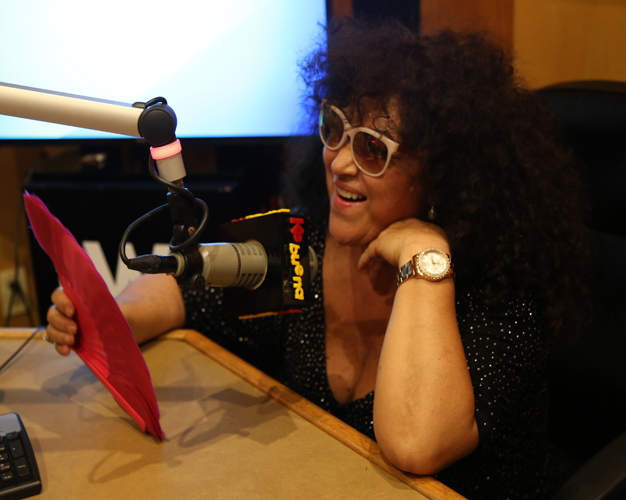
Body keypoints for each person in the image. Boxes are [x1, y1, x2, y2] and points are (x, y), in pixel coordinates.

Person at [44, 18, 589, 500]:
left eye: (373, 148)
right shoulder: (304, 243)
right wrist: (107, 317)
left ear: (443, 173)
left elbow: (415, 446)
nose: (340, 162)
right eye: (334, 129)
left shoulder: (499, 293)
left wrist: (423, 255)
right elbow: (185, 287)